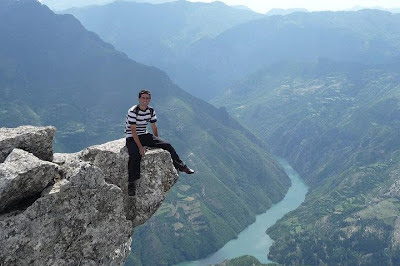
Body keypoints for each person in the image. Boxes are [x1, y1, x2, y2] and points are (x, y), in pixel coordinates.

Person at [125, 89, 195, 196]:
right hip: (131, 137)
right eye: (143, 98)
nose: (145, 100)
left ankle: (182, 166)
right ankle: (131, 183)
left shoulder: (151, 111)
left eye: (147, 98)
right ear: (139, 99)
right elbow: (133, 130)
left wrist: (157, 141)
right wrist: (140, 147)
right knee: (135, 155)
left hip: (144, 135)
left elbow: (154, 126)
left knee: (167, 145)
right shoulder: (133, 111)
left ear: (150, 99)